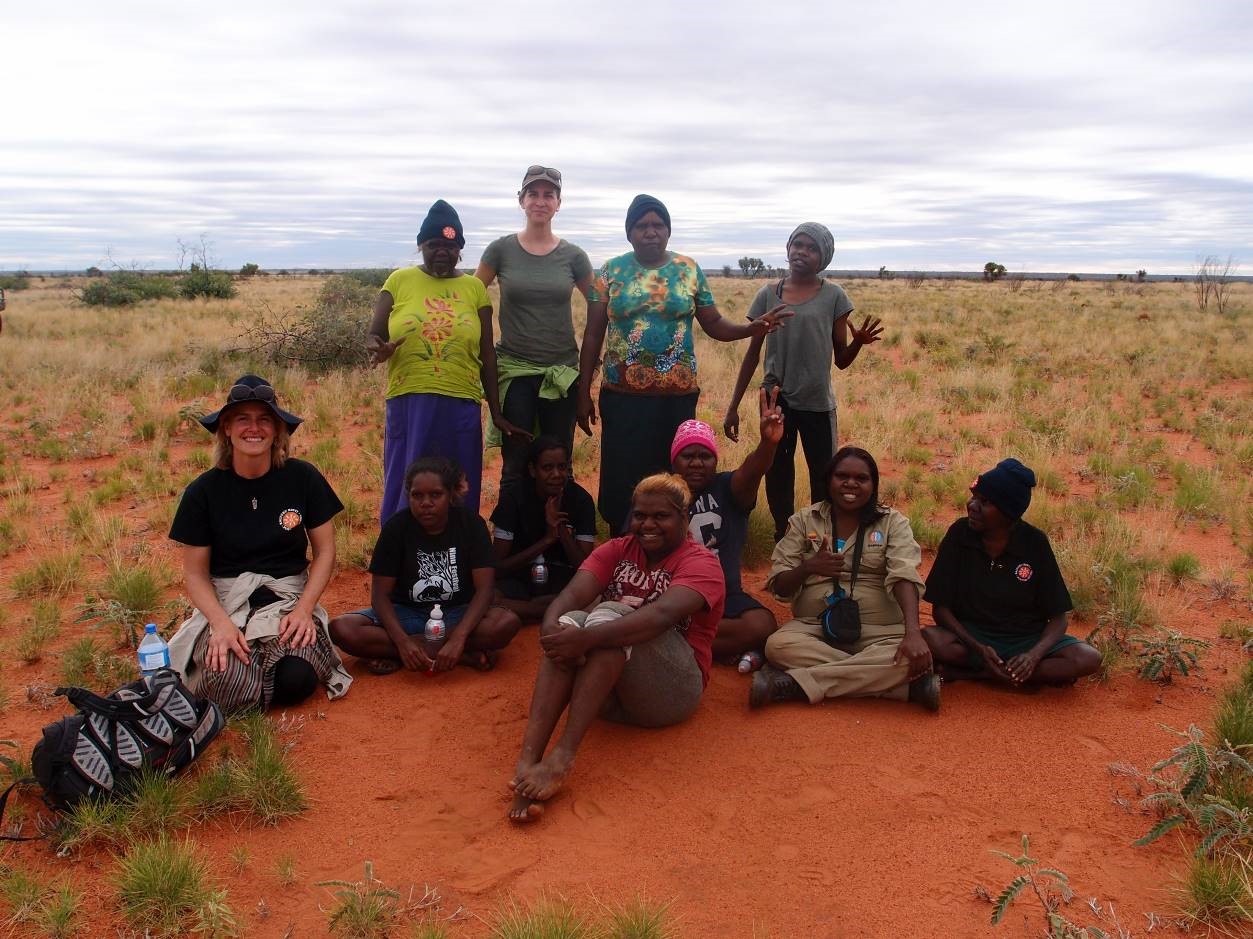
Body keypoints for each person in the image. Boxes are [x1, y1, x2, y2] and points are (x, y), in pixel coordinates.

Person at [508, 473, 725, 823]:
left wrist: (586, 638)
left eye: (661, 516)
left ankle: (562, 758)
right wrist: (552, 629)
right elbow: (570, 596)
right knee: (573, 621)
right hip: (608, 697)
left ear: (685, 519)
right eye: (640, 515)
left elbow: (660, 616)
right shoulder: (618, 549)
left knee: (612, 618)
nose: (647, 524)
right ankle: (527, 763)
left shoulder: (701, 563)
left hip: (672, 693)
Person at [576, 194, 791, 535]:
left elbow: (714, 324)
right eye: (642, 225)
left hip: (675, 399)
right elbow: (592, 335)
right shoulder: (609, 272)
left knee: (674, 476)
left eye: (658, 225)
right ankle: (624, 545)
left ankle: (670, 548)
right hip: (622, 397)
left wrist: (751, 328)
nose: (651, 232)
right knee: (622, 475)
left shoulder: (688, 269)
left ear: (668, 231)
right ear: (629, 232)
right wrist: (582, 390)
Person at [167, 375, 352, 713]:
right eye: (243, 419)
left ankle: (253, 681)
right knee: (221, 676)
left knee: (297, 679)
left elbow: (326, 552)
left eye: (264, 419)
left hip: (287, 597)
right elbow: (195, 574)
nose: (254, 428)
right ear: (226, 428)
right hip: (227, 601)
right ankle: (239, 677)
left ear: (278, 430)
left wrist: (304, 610)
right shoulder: (203, 492)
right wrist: (220, 624)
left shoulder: (303, 477)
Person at [367, 199, 529, 522]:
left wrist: (495, 412)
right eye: (433, 245)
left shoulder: (474, 289)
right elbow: (372, 334)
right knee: (406, 477)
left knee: (458, 481)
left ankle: (458, 557)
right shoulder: (398, 281)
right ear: (420, 246)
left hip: (461, 403)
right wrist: (378, 348)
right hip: (409, 400)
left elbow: (487, 352)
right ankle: (400, 557)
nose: (442, 252)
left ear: (460, 249)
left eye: (450, 246)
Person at [724, 223, 884, 541]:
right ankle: (784, 535)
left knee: (824, 475)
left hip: (816, 400)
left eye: (811, 248)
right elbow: (752, 354)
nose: (801, 252)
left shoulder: (834, 296)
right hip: (775, 398)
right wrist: (733, 407)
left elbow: (841, 359)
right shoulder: (767, 295)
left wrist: (858, 343)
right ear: (787, 247)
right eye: (797, 244)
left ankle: (822, 538)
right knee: (778, 473)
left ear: (822, 257)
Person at [753, 447, 938, 711]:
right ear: (829, 480)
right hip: (816, 628)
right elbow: (779, 586)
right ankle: (898, 687)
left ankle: (794, 683)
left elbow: (903, 575)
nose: (851, 484)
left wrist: (912, 633)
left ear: (873, 485)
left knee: (914, 656)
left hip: (882, 632)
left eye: (861, 479)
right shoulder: (805, 520)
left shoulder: (893, 523)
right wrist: (808, 567)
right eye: (842, 476)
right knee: (778, 646)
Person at [329, 457, 521, 675]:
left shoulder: (471, 525)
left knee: (506, 622)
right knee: (342, 628)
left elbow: (485, 589)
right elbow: (380, 596)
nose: (426, 503)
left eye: (435, 495)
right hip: (408, 614)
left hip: (458, 613)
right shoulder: (396, 528)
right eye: (417, 495)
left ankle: (415, 652)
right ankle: (459, 655)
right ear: (408, 496)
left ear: (450, 495)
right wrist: (402, 642)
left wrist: (458, 637)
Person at [922, 458, 1101, 687]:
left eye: (984, 502)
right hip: (973, 637)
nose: (972, 505)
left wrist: (1033, 656)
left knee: (1087, 658)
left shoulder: (1034, 543)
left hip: (1025, 639)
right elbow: (941, 610)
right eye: (974, 497)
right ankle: (1017, 676)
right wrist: (978, 647)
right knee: (930, 639)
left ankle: (976, 674)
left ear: (1008, 513)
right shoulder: (960, 534)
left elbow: (1058, 619)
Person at [475, 166, 594, 488]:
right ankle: (511, 535)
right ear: (521, 200)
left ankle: (559, 532)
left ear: (558, 202)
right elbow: (469, 298)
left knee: (559, 462)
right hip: (515, 370)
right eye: (533, 194)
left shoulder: (574, 256)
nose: (540, 201)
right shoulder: (500, 250)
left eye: (548, 195)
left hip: (561, 372)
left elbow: (600, 305)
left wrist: (593, 362)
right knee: (516, 462)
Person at [669, 391, 783, 662]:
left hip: (724, 595)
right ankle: (707, 646)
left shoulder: (729, 489)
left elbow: (753, 469)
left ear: (715, 461)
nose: (697, 463)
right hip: (671, 594)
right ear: (674, 460)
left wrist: (768, 443)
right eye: (688, 455)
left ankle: (673, 641)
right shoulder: (663, 491)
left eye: (705, 456)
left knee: (762, 625)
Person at [490, 435, 597, 622]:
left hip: (562, 577)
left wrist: (560, 528)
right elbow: (497, 567)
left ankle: (528, 610)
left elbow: (584, 568)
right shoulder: (514, 498)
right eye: (547, 468)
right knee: (489, 597)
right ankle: (549, 611)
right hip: (519, 576)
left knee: (593, 595)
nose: (556, 475)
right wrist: (547, 539)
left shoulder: (581, 500)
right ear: (532, 470)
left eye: (562, 467)